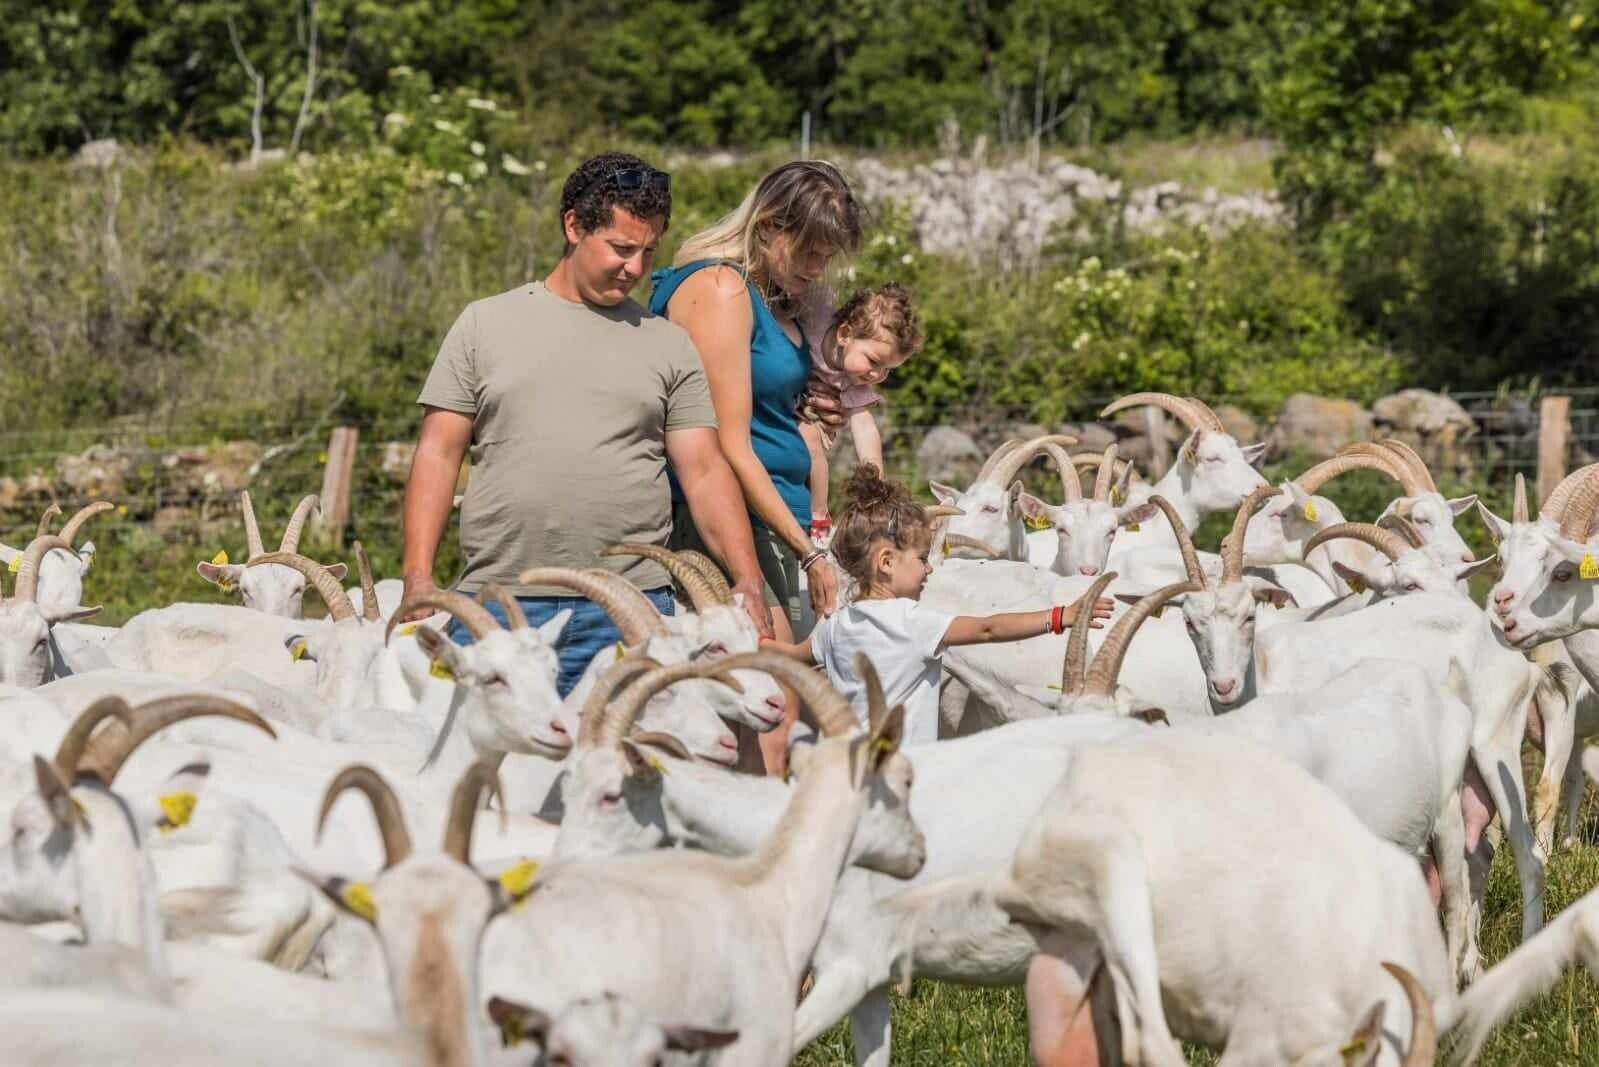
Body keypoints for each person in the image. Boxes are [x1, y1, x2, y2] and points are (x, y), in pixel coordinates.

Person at [399, 151, 772, 698]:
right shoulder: (484, 323)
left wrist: (746, 576)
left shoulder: (668, 343)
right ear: (573, 225)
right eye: (621, 248)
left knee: (626, 771)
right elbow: (437, 454)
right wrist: (418, 578)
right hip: (500, 607)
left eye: (648, 252)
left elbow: (705, 470)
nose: (636, 269)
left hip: (632, 608)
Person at [649, 159, 860, 773]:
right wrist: (810, 550)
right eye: (811, 253)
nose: (819, 270)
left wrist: (811, 409)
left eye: (828, 257)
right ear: (769, 227)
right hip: (740, 523)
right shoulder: (720, 290)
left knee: (780, 709)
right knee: (763, 713)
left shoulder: (772, 294)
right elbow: (726, 443)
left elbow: (765, 402)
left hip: (780, 515)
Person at [766, 466, 1114, 744]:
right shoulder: (912, 622)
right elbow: (988, 628)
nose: (930, 568)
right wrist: (1060, 616)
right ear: (886, 562)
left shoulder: (834, 626)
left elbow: (789, 656)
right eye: (921, 558)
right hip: (907, 770)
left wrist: (750, 645)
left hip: (848, 769)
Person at [795, 281, 922, 549]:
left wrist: (875, 478)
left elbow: (864, 426)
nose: (877, 375)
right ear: (844, 334)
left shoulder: (852, 381)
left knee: (809, 437)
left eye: (887, 370)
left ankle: (818, 517)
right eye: (874, 361)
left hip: (808, 419)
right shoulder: (817, 316)